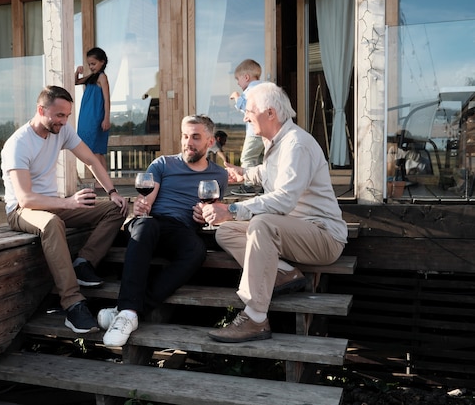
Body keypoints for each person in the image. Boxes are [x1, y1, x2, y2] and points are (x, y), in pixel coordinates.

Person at [201, 82, 348, 343]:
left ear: (270, 113)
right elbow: (269, 173)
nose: (245, 116)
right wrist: (243, 173)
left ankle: (256, 318)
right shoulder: (276, 143)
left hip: (323, 236)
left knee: (262, 224)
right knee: (226, 232)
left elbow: (283, 200)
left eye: (250, 110)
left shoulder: (296, 144)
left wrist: (233, 209)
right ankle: (282, 271)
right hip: (293, 232)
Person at [1, 85, 128, 334]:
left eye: (67, 115)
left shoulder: (62, 131)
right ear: (41, 110)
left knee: (115, 209)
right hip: (21, 210)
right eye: (59, 115)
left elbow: (91, 159)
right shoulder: (18, 144)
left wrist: (112, 192)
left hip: (53, 204)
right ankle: (73, 304)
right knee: (51, 223)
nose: (64, 121)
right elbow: (25, 199)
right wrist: (69, 202)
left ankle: (84, 262)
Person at [97, 114, 228, 347]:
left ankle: (127, 312)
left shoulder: (219, 175)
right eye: (185, 136)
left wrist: (204, 215)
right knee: (146, 226)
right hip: (151, 223)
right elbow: (147, 199)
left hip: (181, 229)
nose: (188, 142)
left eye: (195, 137)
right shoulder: (163, 164)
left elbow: (213, 209)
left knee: (197, 250)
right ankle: (128, 310)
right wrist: (141, 206)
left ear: (210, 142)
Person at [229, 59, 265, 195]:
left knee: (248, 158)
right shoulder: (265, 88)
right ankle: (265, 185)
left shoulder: (250, 91)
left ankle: (249, 185)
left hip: (254, 133)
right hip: (267, 133)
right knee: (264, 159)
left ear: (246, 77)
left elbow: (245, 107)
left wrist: (237, 97)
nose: (238, 83)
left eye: (238, 79)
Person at [75, 47, 111, 171]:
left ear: (102, 62)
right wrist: (77, 72)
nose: (91, 67)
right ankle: (103, 180)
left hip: (96, 117)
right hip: (86, 116)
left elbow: (107, 99)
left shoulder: (102, 77)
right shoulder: (91, 77)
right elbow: (76, 82)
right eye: (89, 64)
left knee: (95, 149)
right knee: (93, 150)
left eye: (93, 64)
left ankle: (102, 180)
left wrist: (106, 118)